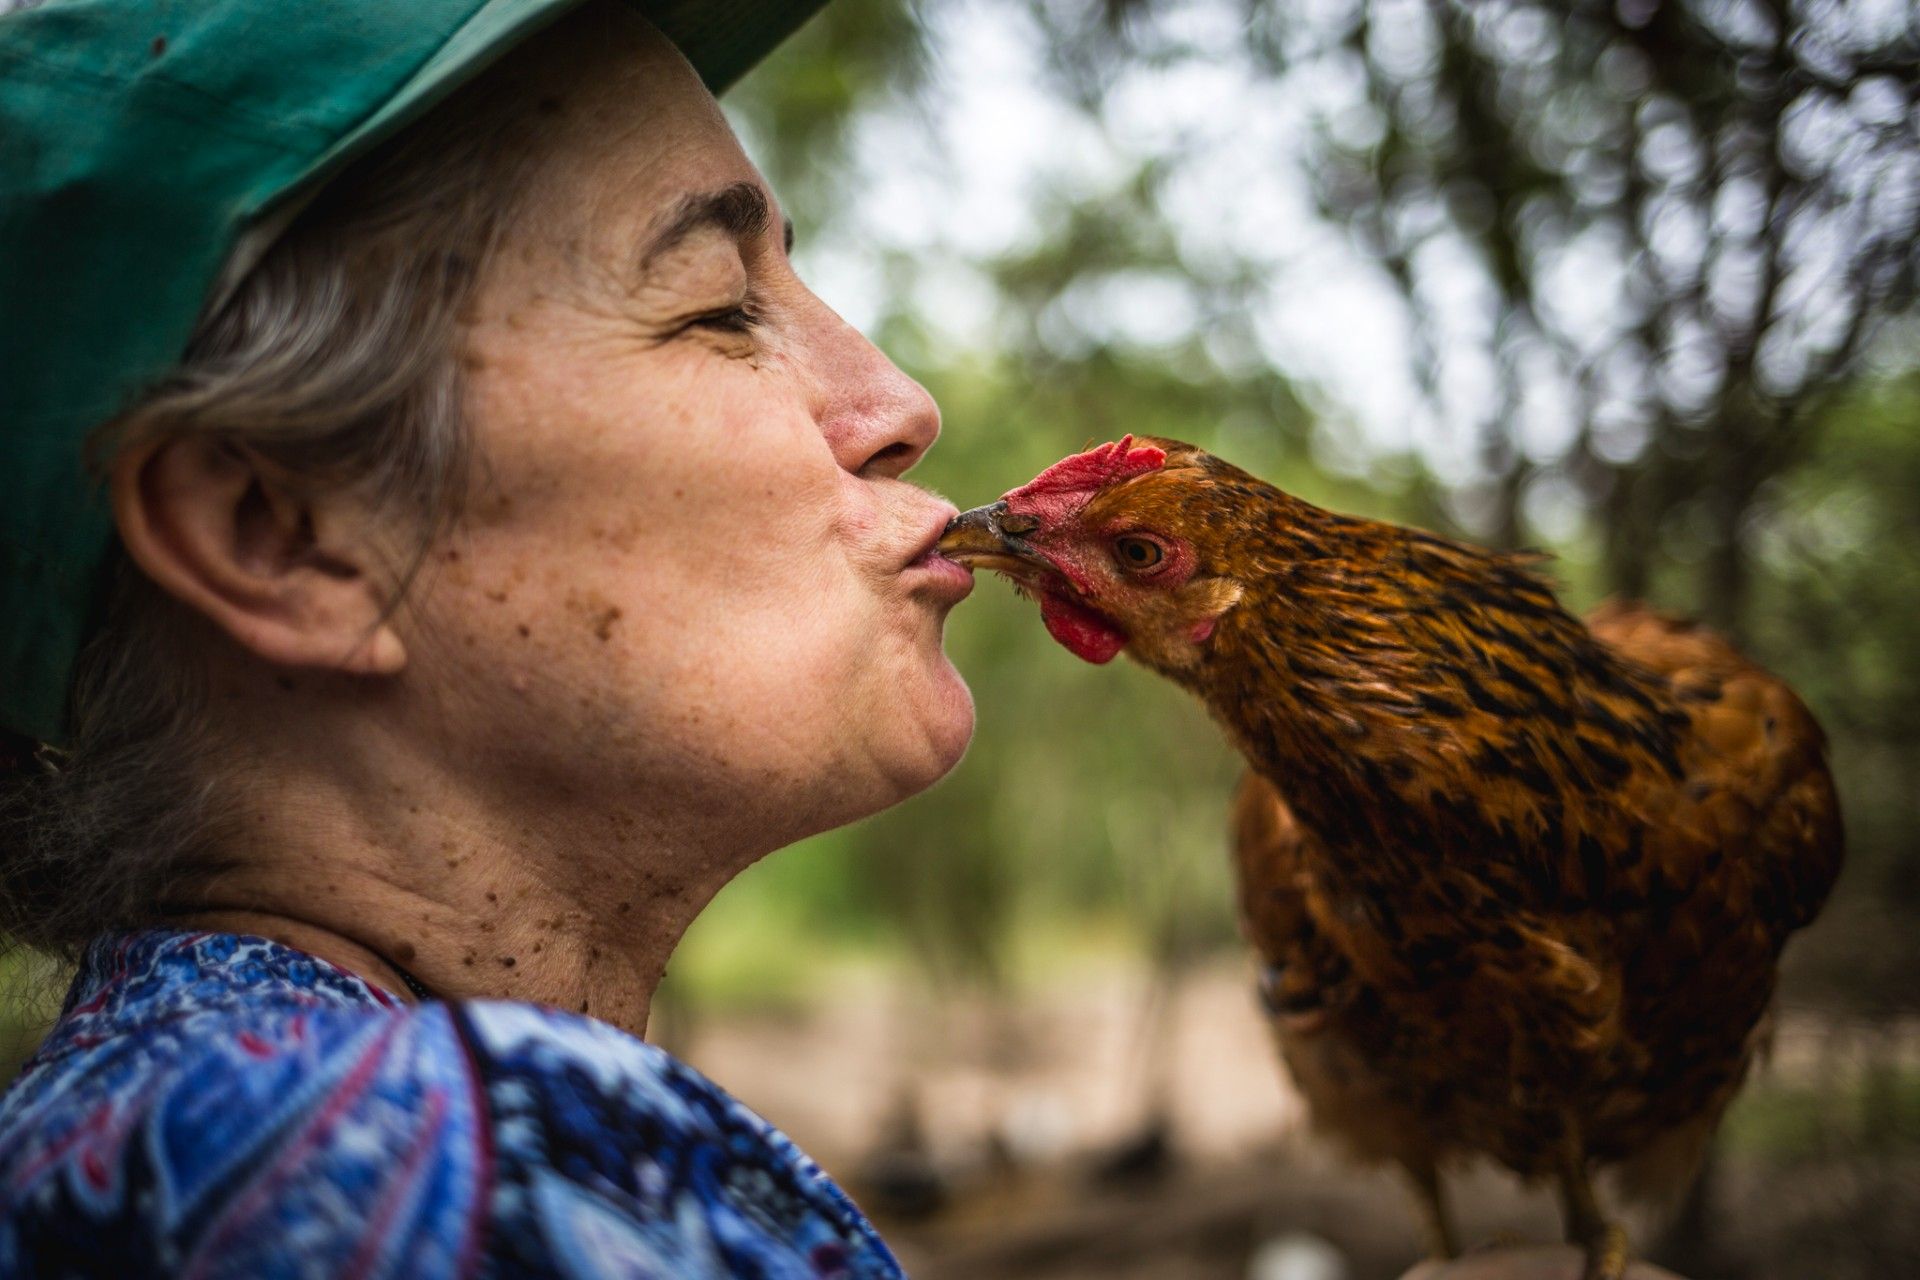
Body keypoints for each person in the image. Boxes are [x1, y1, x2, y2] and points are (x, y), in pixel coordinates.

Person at [0, 1, 975, 1273]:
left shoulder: (144, 1131)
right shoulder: (449, 1164)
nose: (900, 403)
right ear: (278, 534)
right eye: (719, 308)